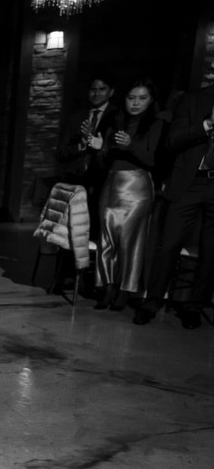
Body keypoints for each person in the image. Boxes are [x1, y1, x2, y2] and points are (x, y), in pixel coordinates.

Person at [134, 82, 214, 328]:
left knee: (211, 251)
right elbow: (172, 141)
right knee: (168, 244)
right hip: (190, 183)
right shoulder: (193, 100)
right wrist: (205, 126)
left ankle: (194, 306)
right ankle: (152, 301)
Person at [87, 79, 163, 311]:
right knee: (106, 238)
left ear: (150, 101)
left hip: (137, 185)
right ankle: (108, 286)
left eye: (142, 98)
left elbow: (153, 160)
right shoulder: (115, 121)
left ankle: (126, 289)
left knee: (131, 241)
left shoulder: (156, 124)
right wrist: (99, 149)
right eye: (132, 97)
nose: (136, 103)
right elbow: (103, 164)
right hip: (111, 183)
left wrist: (131, 145)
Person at [57, 76, 119, 224]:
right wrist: (80, 146)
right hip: (76, 180)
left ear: (111, 92)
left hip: (103, 182)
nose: (96, 93)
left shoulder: (117, 116)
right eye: (93, 89)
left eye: (102, 89)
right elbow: (61, 153)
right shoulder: (76, 117)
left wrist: (100, 146)